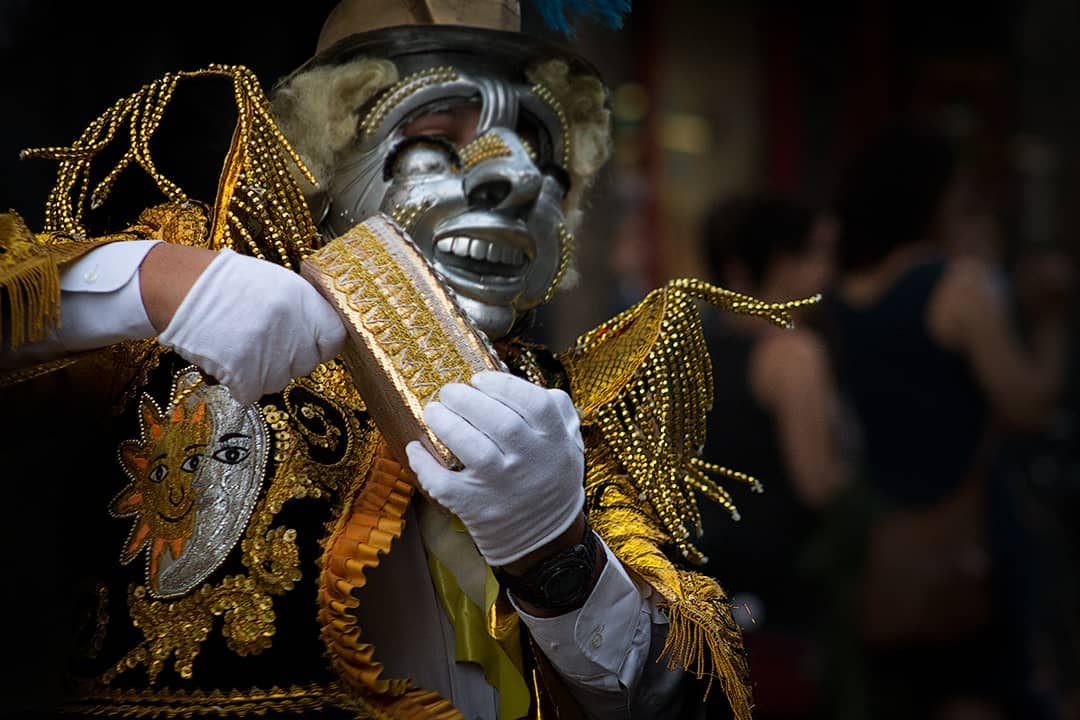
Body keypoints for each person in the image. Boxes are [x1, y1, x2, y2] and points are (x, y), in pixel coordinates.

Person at [0, 2, 814, 718]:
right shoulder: (187, 323)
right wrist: (141, 283)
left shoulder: (567, 418)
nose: (513, 181)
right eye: (433, 143)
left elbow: (680, 697)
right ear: (326, 171)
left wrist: (556, 552)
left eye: (534, 149)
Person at [820, 123, 1073, 720]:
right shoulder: (956, 286)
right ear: (930, 197)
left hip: (889, 541)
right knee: (992, 687)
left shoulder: (846, 294)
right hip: (975, 527)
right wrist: (1053, 322)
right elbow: (1027, 405)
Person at [696, 192, 850, 720]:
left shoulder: (695, 347)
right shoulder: (793, 352)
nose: (826, 271)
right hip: (782, 591)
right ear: (775, 262)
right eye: (815, 254)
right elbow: (817, 483)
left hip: (710, 584)